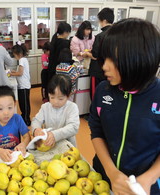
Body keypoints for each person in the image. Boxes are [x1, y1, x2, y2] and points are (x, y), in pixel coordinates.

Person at [89, 18, 160, 195]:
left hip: (144, 186)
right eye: (105, 58)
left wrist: (149, 178)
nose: (104, 66)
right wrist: (111, 173)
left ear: (139, 59)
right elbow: (96, 131)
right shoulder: (103, 90)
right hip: (102, 177)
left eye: (112, 59)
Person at [32, 74, 80, 147]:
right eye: (52, 97)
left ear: (68, 95)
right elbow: (36, 120)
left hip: (67, 145)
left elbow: (73, 127)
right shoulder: (45, 107)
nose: (55, 102)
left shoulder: (72, 107)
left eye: (60, 98)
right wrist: (36, 129)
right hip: (48, 144)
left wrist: (55, 135)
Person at [0, 86, 30, 162]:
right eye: (0, 109)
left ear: (14, 104)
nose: (6, 113)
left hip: (15, 156)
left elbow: (27, 136)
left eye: (9, 107)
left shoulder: (17, 118)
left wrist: (23, 144)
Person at [86, 8, 114, 100]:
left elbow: (95, 56)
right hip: (111, 71)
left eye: (100, 21)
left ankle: (95, 113)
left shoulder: (100, 36)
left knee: (95, 95)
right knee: (108, 95)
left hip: (98, 71)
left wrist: (87, 53)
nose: (100, 23)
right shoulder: (116, 35)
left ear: (104, 21)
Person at [10, 41, 31, 126]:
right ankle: (24, 117)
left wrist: (11, 74)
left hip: (24, 86)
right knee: (23, 103)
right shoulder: (23, 60)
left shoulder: (22, 60)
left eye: (14, 54)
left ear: (18, 53)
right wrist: (14, 71)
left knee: (25, 104)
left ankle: (27, 120)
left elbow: (20, 73)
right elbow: (20, 71)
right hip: (23, 86)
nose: (14, 57)